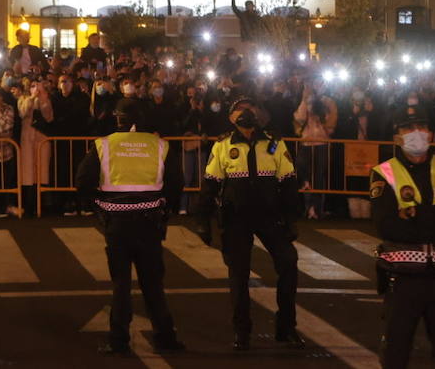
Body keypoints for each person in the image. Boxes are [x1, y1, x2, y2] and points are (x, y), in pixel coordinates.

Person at [74, 99, 185, 356]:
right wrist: (162, 206)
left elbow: (83, 181)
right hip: (150, 221)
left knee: (121, 284)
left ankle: (118, 340)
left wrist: (99, 205)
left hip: (117, 223)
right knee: (153, 283)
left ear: (118, 119)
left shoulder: (104, 145)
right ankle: (165, 337)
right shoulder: (159, 146)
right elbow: (176, 183)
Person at [195, 96, 304, 351]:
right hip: (236, 218)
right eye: (239, 110)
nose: (245, 113)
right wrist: (202, 221)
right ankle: (242, 331)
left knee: (288, 262)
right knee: (239, 275)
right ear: (231, 117)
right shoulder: (223, 145)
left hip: (270, 216)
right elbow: (209, 185)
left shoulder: (275, 143)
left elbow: (288, 183)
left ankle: (286, 328)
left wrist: (291, 219)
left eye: (250, 108)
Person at [370, 106, 435, 369]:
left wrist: (415, 213)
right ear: (397, 138)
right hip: (404, 276)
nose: (416, 133)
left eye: (422, 127)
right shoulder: (384, 172)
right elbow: (387, 226)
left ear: (431, 133)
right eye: (408, 128)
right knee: (397, 348)